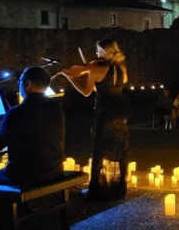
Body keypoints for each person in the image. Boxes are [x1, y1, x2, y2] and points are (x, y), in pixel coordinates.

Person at [52, 39, 127, 200]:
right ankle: (119, 187)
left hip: (104, 112)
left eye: (98, 51)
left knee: (99, 149)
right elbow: (110, 84)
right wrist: (90, 71)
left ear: (106, 52)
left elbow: (86, 92)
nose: (96, 54)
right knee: (119, 148)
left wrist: (70, 77)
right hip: (120, 111)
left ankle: (97, 189)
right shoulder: (121, 67)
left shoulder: (96, 67)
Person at [0, 67, 65, 188]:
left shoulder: (17, 112)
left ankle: (5, 206)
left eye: (20, 81)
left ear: (27, 84)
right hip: (55, 170)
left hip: (25, 175)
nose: (18, 85)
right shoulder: (56, 108)